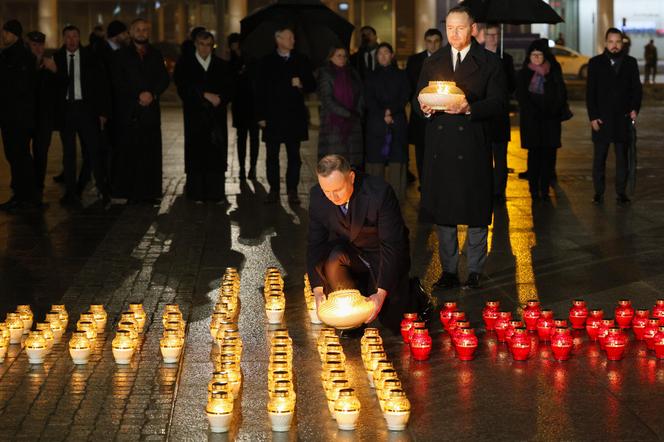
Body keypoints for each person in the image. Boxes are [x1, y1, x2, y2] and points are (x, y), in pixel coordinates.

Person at [415, 6, 506, 289]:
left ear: (473, 29)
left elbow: (499, 102)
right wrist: (426, 109)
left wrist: (470, 107)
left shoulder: (490, 62)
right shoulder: (434, 61)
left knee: (476, 210)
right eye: (450, 28)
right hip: (441, 146)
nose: (454, 34)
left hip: (473, 143)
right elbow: (418, 100)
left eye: (461, 28)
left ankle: (476, 269)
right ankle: (450, 270)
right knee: (445, 211)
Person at [307, 154, 411, 331]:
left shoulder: (379, 193)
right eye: (327, 191)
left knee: (393, 320)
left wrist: (381, 293)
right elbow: (315, 244)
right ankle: (352, 324)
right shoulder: (318, 197)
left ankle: (414, 293)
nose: (333, 196)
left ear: (351, 177)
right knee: (333, 260)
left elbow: (392, 244)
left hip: (382, 254)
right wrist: (317, 290)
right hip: (351, 253)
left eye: (338, 189)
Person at [111, 18, 170, 203]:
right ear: (131, 31)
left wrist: (152, 93)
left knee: (150, 154)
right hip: (129, 112)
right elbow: (117, 81)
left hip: (150, 112)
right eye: (138, 29)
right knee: (127, 154)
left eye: (145, 29)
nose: (142, 32)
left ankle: (150, 193)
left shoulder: (156, 54)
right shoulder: (121, 55)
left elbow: (164, 78)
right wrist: (138, 95)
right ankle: (125, 191)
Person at [255, 27, 315, 205]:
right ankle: (274, 189)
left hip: (293, 116)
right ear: (278, 39)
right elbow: (259, 90)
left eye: (293, 37)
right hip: (272, 116)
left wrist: (301, 83)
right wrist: (260, 116)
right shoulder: (266, 61)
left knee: (294, 156)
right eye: (289, 37)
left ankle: (292, 190)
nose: (293, 41)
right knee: (272, 156)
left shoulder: (301, 60)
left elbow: (312, 85)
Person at [54, 25, 111, 205]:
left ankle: (103, 190)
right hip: (66, 111)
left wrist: (103, 112)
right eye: (68, 36)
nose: (71, 40)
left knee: (94, 151)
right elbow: (53, 88)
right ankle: (71, 193)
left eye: (75, 36)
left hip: (87, 110)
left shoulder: (90, 58)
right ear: (63, 38)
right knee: (68, 154)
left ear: (80, 38)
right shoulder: (56, 59)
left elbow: (102, 86)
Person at [174, 31, 234, 202]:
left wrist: (221, 98)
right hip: (195, 118)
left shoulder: (221, 65)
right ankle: (196, 193)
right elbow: (182, 88)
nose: (205, 48)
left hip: (216, 118)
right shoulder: (185, 64)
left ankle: (216, 194)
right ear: (195, 44)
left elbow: (231, 88)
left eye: (208, 45)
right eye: (201, 44)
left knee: (216, 153)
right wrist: (204, 94)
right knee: (196, 153)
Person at [586, 28, 642, 205]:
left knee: (622, 159)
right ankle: (599, 192)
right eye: (611, 42)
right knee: (599, 159)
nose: (615, 45)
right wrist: (593, 116)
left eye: (618, 42)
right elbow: (590, 92)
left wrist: (634, 108)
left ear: (622, 43)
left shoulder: (630, 63)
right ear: (605, 43)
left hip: (622, 119)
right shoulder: (595, 63)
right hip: (601, 119)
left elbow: (636, 89)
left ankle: (621, 192)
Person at [516, 39, 567, 201]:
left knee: (548, 158)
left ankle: (544, 190)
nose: (537, 57)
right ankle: (533, 189)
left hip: (550, 121)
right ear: (529, 56)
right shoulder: (524, 74)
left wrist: (551, 110)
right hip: (532, 122)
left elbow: (560, 93)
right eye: (534, 54)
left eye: (540, 54)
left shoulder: (553, 71)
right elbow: (521, 97)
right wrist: (534, 111)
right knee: (534, 157)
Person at [0, 19, 40, 211]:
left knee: (19, 156)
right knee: (14, 155)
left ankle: (25, 196)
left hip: (18, 117)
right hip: (9, 117)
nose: (3, 35)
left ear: (13, 34)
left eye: (5, 32)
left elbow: (21, 88)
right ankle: (23, 194)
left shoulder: (22, 57)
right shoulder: (7, 55)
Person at [364, 42, 410, 201]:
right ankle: (375, 198)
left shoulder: (401, 75)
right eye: (380, 53)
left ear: (392, 55)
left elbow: (405, 96)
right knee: (376, 162)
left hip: (397, 122)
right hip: (376, 122)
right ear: (377, 57)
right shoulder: (370, 76)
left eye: (386, 52)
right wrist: (383, 113)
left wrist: (391, 111)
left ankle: (397, 198)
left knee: (397, 161)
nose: (383, 56)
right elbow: (368, 98)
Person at [406, 28, 443, 187]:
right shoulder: (414, 60)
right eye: (429, 41)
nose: (433, 45)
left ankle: (438, 183)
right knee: (421, 151)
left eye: (436, 42)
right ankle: (424, 182)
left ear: (441, 42)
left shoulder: (447, 58)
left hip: (442, 113)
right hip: (420, 112)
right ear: (425, 42)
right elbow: (409, 86)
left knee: (440, 150)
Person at [317, 46, 364, 168]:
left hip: (353, 122)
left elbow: (360, 93)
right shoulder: (325, 73)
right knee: (335, 163)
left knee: (352, 163)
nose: (342, 58)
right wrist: (347, 113)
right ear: (331, 57)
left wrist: (358, 111)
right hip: (334, 124)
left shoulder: (352, 72)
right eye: (338, 55)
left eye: (344, 55)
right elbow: (327, 99)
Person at [483, 24, 515, 202]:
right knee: (483, 156)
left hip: (500, 115)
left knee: (500, 157)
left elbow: (512, 85)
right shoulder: (478, 57)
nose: (493, 38)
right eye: (490, 34)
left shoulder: (506, 58)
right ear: (484, 35)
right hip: (483, 115)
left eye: (496, 35)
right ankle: (485, 188)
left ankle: (498, 190)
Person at [26, 31, 58, 204]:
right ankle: (24, 185)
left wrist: (56, 72)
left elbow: (60, 88)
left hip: (44, 118)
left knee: (41, 153)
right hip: (26, 116)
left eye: (40, 45)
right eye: (34, 45)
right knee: (22, 153)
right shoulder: (23, 65)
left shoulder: (50, 65)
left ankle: (38, 187)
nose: (38, 48)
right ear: (28, 44)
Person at [228, 32, 259, 180]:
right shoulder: (231, 61)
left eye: (236, 43)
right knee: (241, 137)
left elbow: (256, 79)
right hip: (239, 104)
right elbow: (230, 81)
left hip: (252, 103)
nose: (234, 46)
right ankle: (241, 168)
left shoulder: (251, 59)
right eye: (232, 43)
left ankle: (252, 167)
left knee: (254, 137)